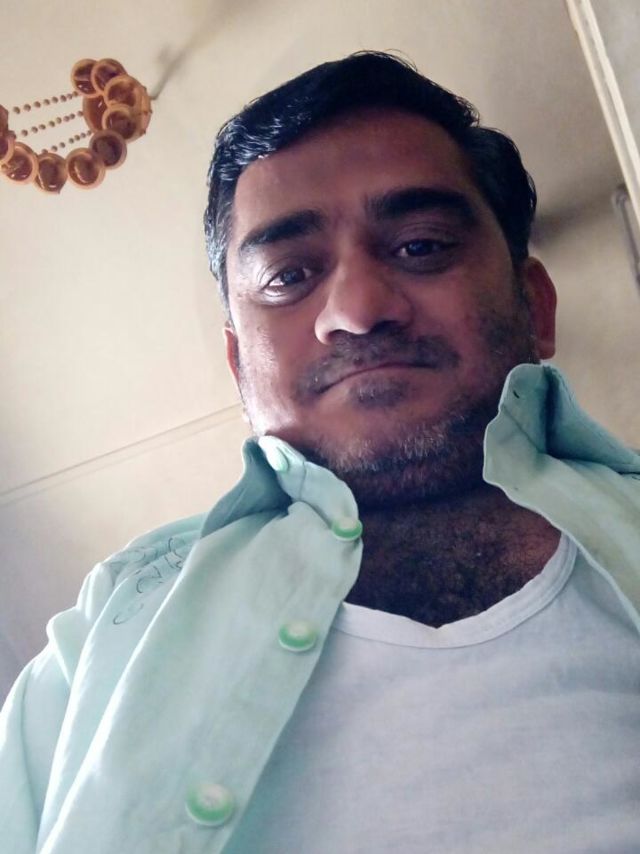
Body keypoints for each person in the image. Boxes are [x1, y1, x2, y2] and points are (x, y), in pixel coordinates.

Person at [1, 51, 639, 854]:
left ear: (535, 306)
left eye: (421, 245)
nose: (358, 309)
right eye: (287, 275)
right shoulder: (109, 627)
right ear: (240, 368)